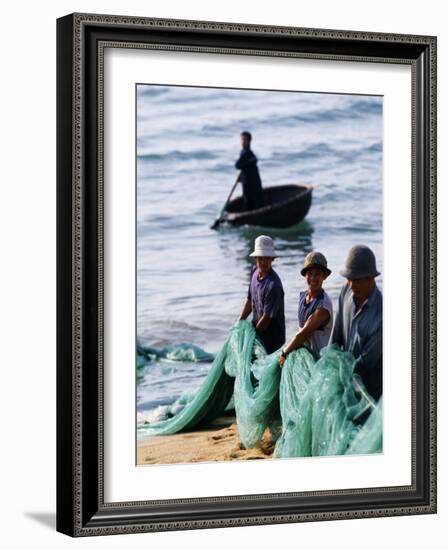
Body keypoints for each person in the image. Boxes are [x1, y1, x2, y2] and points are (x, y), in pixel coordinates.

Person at [330, 245, 383, 401]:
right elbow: (336, 334)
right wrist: (329, 362)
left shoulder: (382, 315)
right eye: (349, 279)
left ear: (371, 278)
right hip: (344, 377)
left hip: (368, 390)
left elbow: (366, 362)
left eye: (357, 280)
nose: (352, 285)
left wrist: (343, 374)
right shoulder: (345, 291)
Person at [279, 252, 333, 367]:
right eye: (310, 273)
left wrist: (285, 352)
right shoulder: (303, 296)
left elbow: (305, 332)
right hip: (305, 355)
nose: (313, 278)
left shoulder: (323, 306)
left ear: (324, 276)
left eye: (318, 274)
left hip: (319, 361)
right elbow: (300, 329)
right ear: (305, 275)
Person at [239, 235, 285, 354]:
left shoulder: (273, 285)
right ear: (255, 258)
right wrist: (240, 321)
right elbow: (250, 300)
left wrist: (252, 337)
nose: (263, 262)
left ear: (272, 259)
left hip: (272, 342)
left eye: (267, 258)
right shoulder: (254, 272)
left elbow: (266, 318)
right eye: (260, 258)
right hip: (258, 334)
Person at [235, 131, 265, 210]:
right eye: (241, 140)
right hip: (247, 180)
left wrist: (247, 163)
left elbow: (238, 165)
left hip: (252, 180)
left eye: (244, 140)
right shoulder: (245, 153)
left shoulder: (247, 153)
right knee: (249, 199)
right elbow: (240, 166)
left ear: (249, 141)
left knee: (253, 198)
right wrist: (241, 176)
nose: (242, 142)